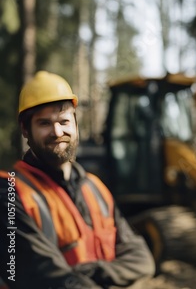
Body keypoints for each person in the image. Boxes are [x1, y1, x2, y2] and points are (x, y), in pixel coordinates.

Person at [0, 71, 155, 288]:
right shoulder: (9, 191)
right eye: (44, 123)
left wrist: (92, 271)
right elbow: (41, 275)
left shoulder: (96, 188)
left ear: (75, 124)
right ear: (26, 130)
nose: (57, 131)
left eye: (64, 121)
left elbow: (142, 260)